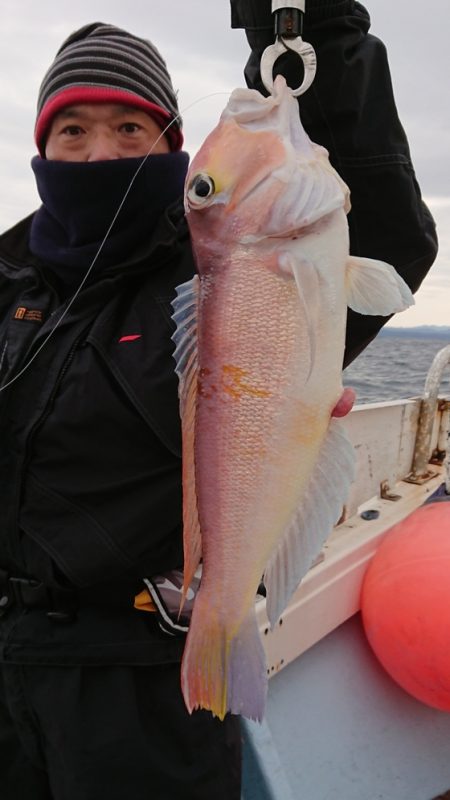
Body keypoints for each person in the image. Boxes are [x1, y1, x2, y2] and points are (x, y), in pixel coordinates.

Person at [0, 5, 438, 800]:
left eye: (132, 129)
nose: (100, 151)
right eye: (74, 131)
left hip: (143, 680)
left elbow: (383, 231)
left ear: (171, 149)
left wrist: (320, 37)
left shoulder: (214, 276)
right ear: (42, 148)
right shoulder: (10, 283)